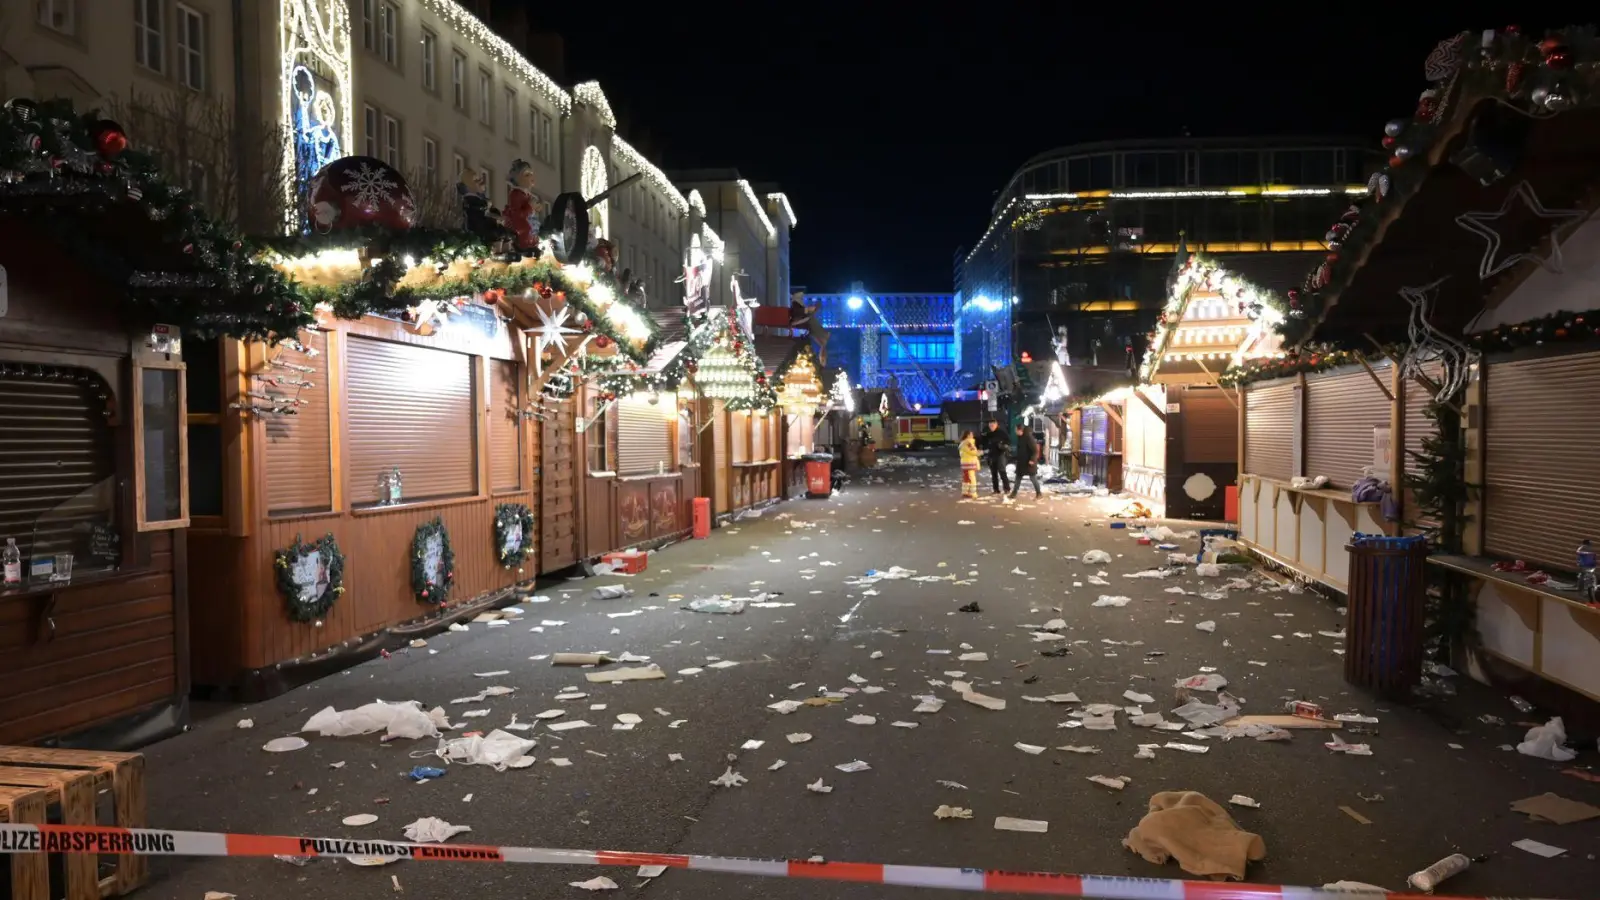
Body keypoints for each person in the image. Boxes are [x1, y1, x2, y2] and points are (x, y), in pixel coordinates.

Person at [1008, 423, 1043, 501]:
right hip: (1021, 462)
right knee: (1018, 477)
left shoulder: (1028, 437)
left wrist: (1032, 460)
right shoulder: (1020, 437)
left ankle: (1039, 493)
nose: (1015, 431)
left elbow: (1035, 450)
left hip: (1029, 462)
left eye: (1015, 430)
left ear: (1020, 430)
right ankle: (1014, 493)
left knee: (1033, 478)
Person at [979, 420, 1010, 495]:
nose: (991, 427)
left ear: (996, 424)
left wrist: (1003, 445)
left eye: (992, 425)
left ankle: (1007, 488)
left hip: (1000, 455)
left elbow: (1008, 441)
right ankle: (996, 489)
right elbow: (983, 442)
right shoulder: (988, 433)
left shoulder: (1001, 432)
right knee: (993, 473)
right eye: (990, 426)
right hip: (991, 455)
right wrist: (982, 436)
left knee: (1002, 472)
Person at [958, 431, 980, 500]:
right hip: (969, 463)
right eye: (971, 434)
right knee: (972, 478)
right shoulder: (968, 442)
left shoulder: (963, 443)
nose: (973, 435)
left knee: (966, 478)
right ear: (967, 435)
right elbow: (973, 452)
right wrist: (981, 452)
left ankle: (965, 492)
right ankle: (973, 493)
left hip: (965, 463)